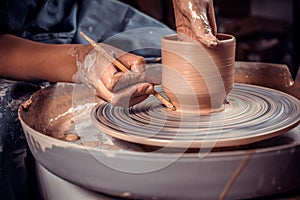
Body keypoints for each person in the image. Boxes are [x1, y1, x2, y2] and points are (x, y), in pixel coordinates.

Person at [0, 0, 217, 199]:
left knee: (173, 57)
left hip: (62, 8)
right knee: (9, 129)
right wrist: (79, 60)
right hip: (9, 47)